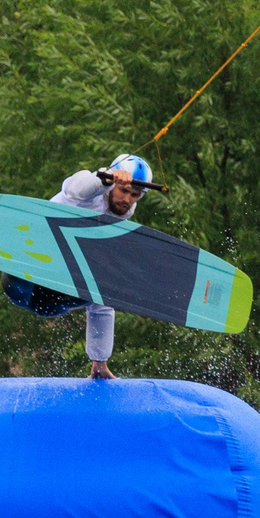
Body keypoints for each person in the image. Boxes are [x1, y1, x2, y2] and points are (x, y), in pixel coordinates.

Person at [51, 155, 157, 379]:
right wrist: (106, 179)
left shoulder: (124, 211)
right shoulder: (91, 191)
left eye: (134, 195)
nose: (127, 199)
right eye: (123, 190)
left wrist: (100, 361)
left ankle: (98, 364)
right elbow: (73, 189)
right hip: (41, 255)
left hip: (56, 289)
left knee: (104, 292)